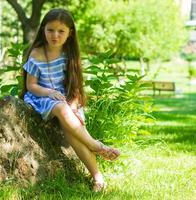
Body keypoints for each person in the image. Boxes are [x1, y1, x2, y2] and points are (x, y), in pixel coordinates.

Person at [21, 8, 120, 192]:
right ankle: (96, 145)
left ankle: (98, 179)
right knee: (61, 109)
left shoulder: (69, 54)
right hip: (42, 96)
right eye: (50, 30)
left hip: (67, 99)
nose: (55, 35)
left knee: (72, 133)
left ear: (70, 33)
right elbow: (31, 86)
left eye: (61, 31)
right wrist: (49, 92)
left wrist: (74, 105)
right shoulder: (36, 53)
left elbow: (74, 86)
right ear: (43, 29)